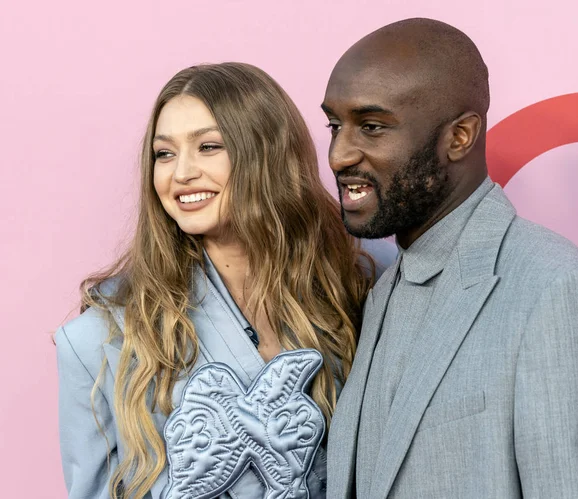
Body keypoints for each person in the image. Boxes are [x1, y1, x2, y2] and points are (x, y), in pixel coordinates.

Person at [56, 62, 396, 499]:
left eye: (208, 146)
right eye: (164, 153)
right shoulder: (99, 338)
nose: (181, 174)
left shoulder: (363, 281)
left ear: (267, 153)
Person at [322, 18, 578, 499]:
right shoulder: (383, 289)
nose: (339, 155)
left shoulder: (555, 288)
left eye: (371, 127)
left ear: (460, 137)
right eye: (334, 125)